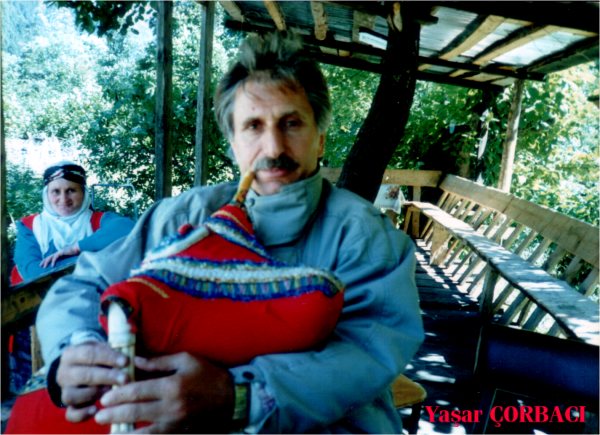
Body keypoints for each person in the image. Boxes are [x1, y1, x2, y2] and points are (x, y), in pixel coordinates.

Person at [34, 32, 424, 433]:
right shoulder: (183, 215)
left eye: (291, 124)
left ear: (320, 139)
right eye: (253, 126)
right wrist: (75, 348)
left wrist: (237, 396)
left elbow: (365, 351)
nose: (273, 146)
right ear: (234, 145)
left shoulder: (363, 235)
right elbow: (86, 284)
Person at [10, 161, 135, 285]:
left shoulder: (99, 220)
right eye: (56, 191)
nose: (63, 199)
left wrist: (76, 247)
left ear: (83, 192)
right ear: (46, 194)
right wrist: (96, 261)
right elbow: (32, 272)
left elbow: (130, 229)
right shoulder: (30, 226)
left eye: (71, 190)